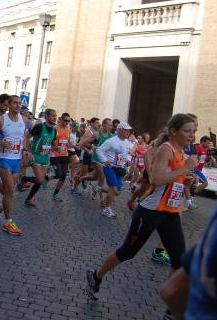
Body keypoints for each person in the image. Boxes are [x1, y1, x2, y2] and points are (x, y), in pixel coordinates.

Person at [86, 114, 198, 302]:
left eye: (193, 131)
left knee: (179, 261)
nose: (192, 135)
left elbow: (172, 182)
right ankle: (96, 276)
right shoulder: (166, 149)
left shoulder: (183, 153)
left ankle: (171, 307)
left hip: (169, 213)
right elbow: (156, 179)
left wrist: (184, 179)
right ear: (173, 131)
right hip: (150, 212)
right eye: (187, 131)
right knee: (127, 252)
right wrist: (185, 169)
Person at [0, 95, 27, 235]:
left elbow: (24, 138)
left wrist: (26, 150)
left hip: (17, 159)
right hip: (4, 158)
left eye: (19, 103)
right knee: (9, 191)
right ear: (8, 104)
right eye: (15, 103)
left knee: (8, 191)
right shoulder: (1, 120)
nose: (18, 105)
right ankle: (8, 222)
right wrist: (1, 143)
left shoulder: (24, 119)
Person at [95, 122, 134, 218]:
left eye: (129, 130)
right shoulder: (111, 141)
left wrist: (128, 160)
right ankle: (106, 209)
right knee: (113, 188)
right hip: (110, 167)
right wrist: (105, 160)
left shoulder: (127, 142)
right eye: (126, 130)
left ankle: (99, 188)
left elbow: (128, 153)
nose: (128, 132)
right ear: (120, 131)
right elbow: (99, 150)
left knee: (118, 191)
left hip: (120, 168)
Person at [24, 108, 58, 208]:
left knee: (40, 181)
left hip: (45, 157)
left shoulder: (54, 130)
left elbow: (51, 142)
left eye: (56, 116)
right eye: (53, 116)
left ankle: (29, 198)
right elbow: (27, 137)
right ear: (47, 117)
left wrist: (56, 147)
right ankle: (24, 179)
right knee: (39, 179)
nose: (55, 118)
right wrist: (28, 151)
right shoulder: (39, 127)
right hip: (36, 155)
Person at [50, 113, 73, 202]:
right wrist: (55, 147)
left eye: (68, 121)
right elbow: (50, 140)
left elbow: (67, 142)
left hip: (64, 154)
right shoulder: (55, 128)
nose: (67, 122)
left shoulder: (68, 129)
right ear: (61, 119)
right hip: (55, 154)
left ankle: (55, 194)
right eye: (65, 120)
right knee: (58, 174)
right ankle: (47, 178)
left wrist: (75, 146)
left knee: (63, 175)